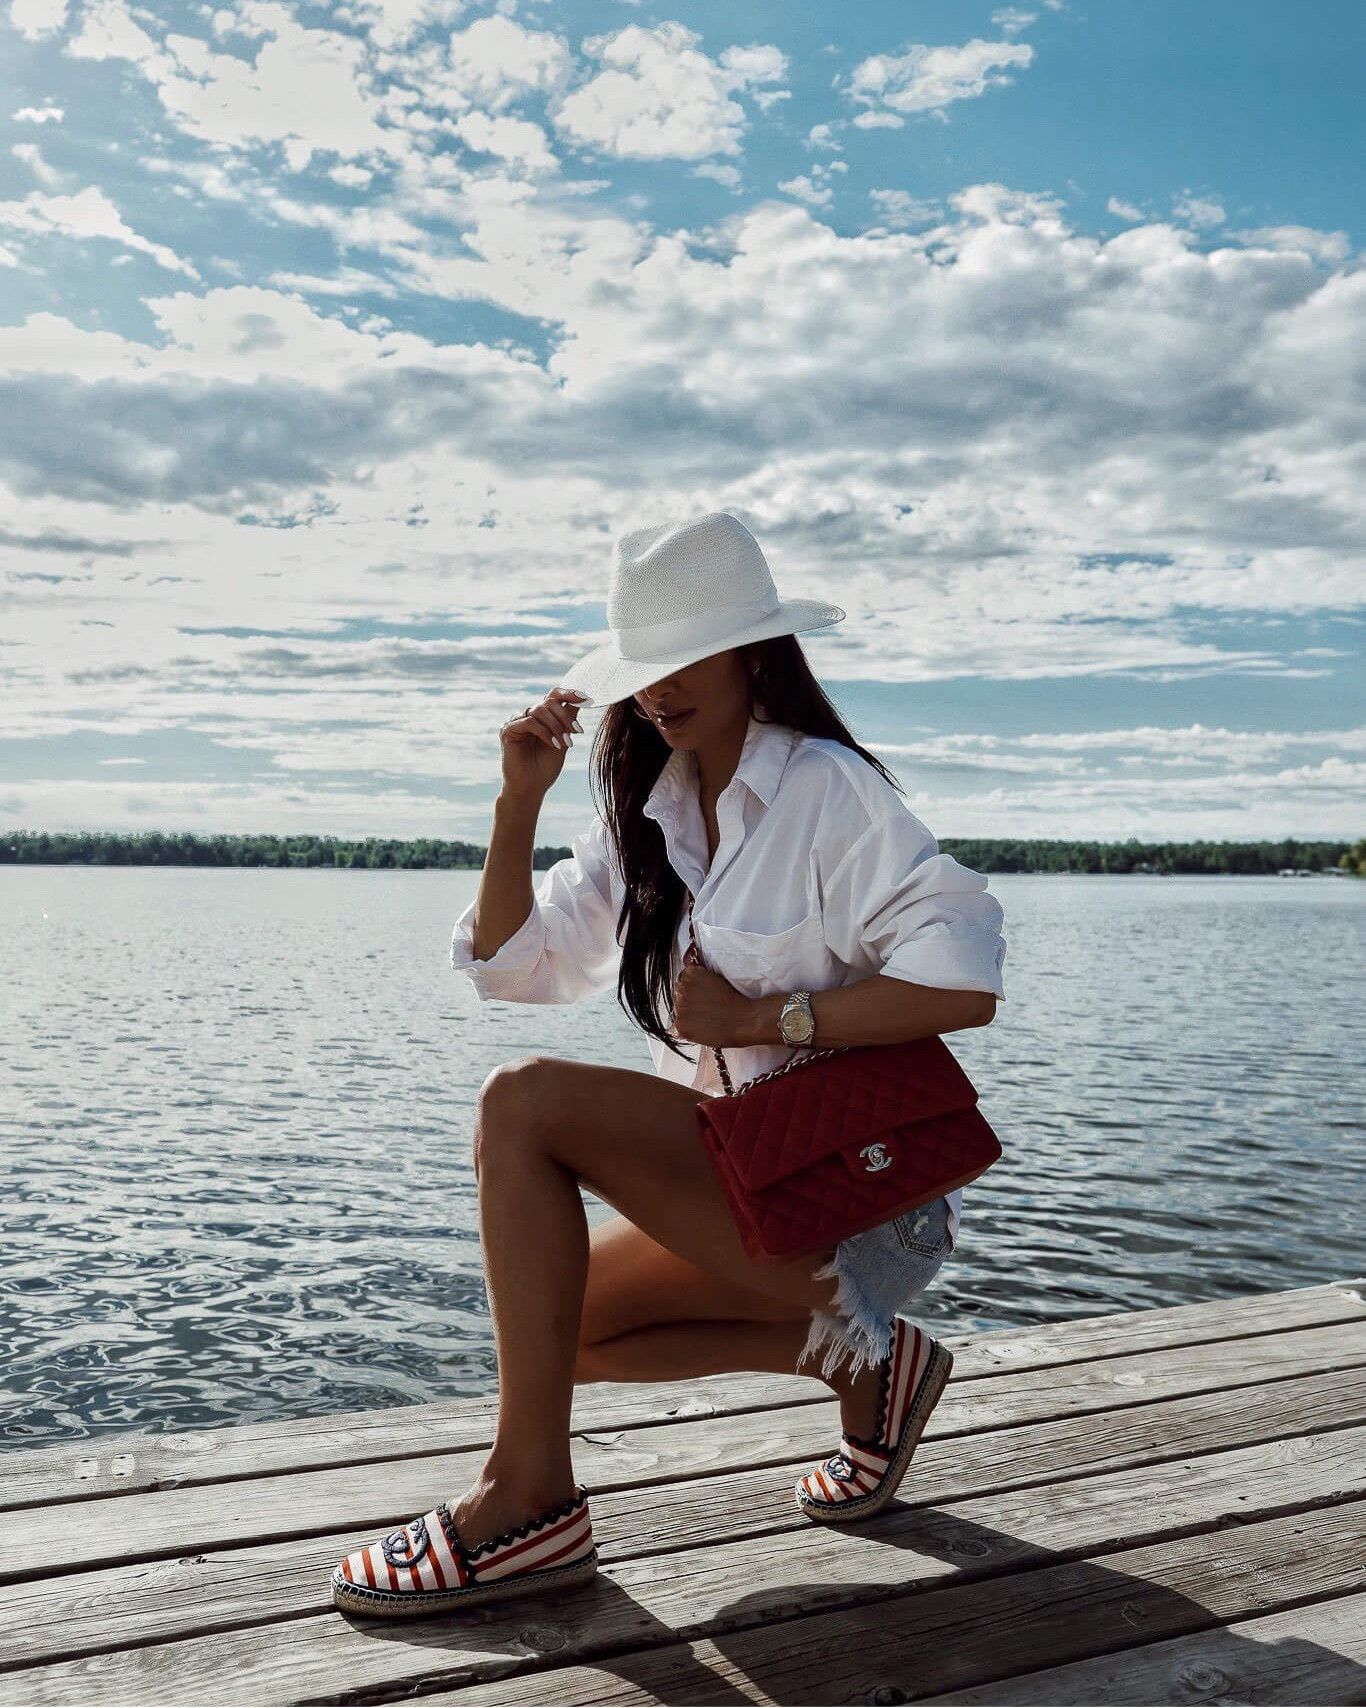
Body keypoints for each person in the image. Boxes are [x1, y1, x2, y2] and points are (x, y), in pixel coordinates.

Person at [331, 511, 1006, 1616]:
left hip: (862, 1204)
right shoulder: (649, 811)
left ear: (753, 651)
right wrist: (518, 802)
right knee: (562, 1330)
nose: (659, 690)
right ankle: (870, 1371)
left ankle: (528, 1505)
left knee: (524, 1105)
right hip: (753, 1188)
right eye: (642, 669)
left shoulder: (825, 790)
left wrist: (771, 1015)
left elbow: (962, 980)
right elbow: (512, 964)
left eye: (685, 657)